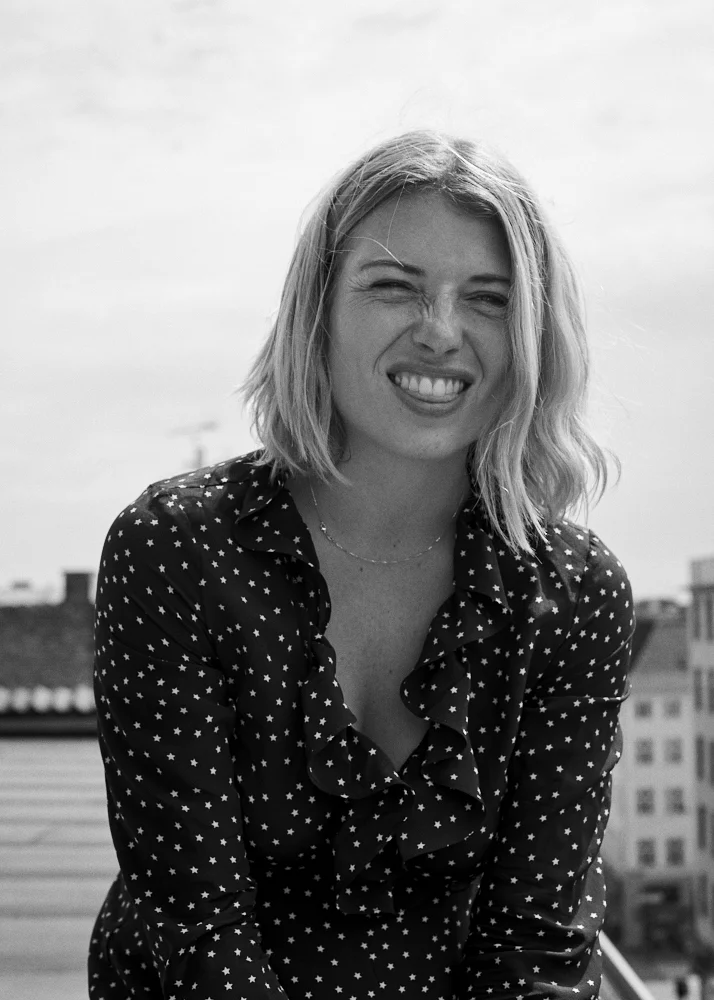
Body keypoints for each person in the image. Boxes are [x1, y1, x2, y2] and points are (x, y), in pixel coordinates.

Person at [88, 130, 633, 1000]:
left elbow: (536, 941)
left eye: (489, 299)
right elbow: (196, 926)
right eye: (393, 287)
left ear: (534, 336)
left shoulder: (573, 594)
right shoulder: (178, 549)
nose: (441, 332)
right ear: (319, 313)